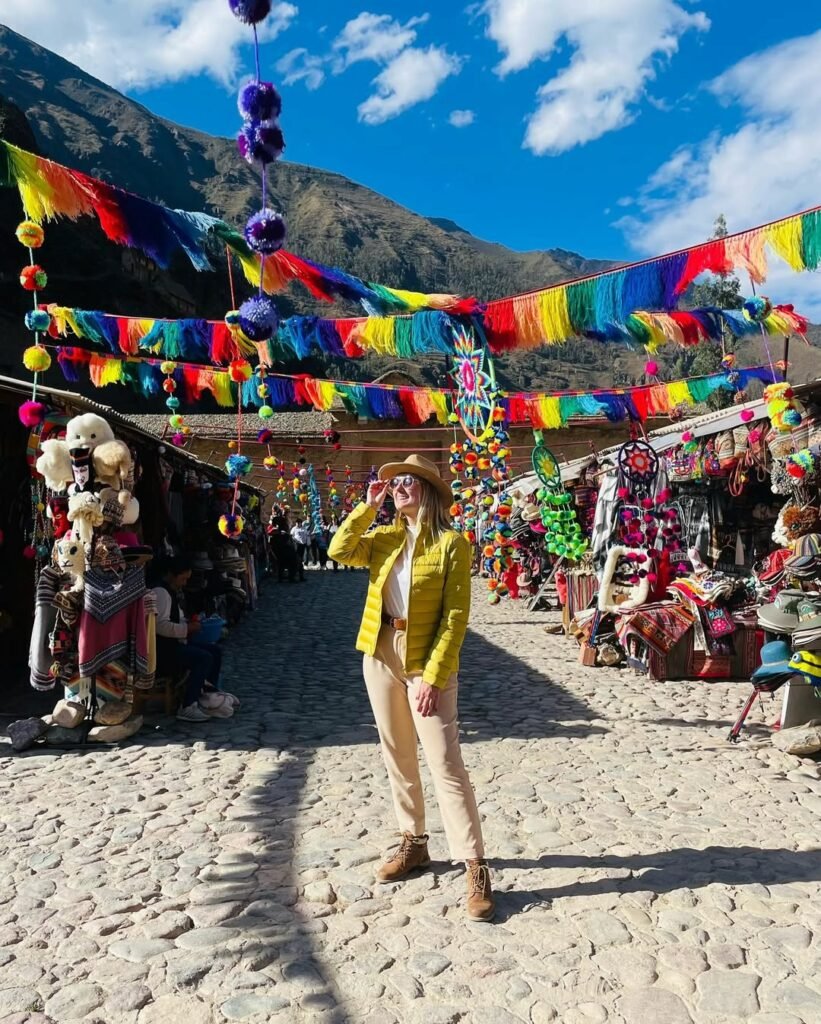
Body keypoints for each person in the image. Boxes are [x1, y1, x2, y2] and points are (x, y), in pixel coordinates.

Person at [328, 454, 494, 921]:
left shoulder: (451, 544)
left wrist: (435, 676)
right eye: (393, 482)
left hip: (425, 654)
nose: (397, 487)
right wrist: (366, 507)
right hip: (380, 650)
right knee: (397, 752)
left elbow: (456, 617)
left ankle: (475, 864)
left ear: (428, 491)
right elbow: (339, 549)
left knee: (445, 760)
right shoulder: (383, 538)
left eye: (406, 481)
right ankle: (414, 841)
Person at [151, 555, 236, 722]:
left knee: (214, 651)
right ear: (171, 575)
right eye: (182, 579)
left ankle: (208, 695)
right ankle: (188, 705)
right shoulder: (160, 593)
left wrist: (189, 624)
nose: (184, 583)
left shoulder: (171, 592)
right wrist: (187, 628)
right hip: (163, 652)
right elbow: (160, 626)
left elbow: (175, 619)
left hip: (174, 645)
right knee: (203, 658)